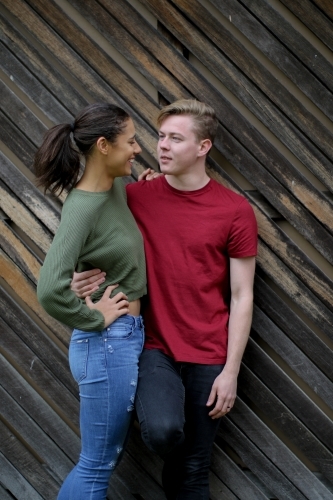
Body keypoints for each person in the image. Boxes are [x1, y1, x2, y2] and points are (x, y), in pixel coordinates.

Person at [71, 99, 258, 499]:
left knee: (193, 469)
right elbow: (97, 246)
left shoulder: (235, 211)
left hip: (210, 353)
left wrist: (231, 371)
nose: (163, 146)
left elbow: (242, 296)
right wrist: (80, 280)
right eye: (160, 136)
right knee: (163, 431)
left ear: (203, 147)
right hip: (152, 346)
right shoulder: (136, 198)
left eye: (176, 138)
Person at [35, 103, 147, 500]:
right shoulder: (82, 207)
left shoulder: (116, 187)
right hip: (105, 342)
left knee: (103, 461)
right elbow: (49, 288)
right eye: (131, 141)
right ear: (103, 145)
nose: (138, 148)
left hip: (121, 339)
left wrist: (144, 183)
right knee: (96, 466)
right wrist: (93, 316)